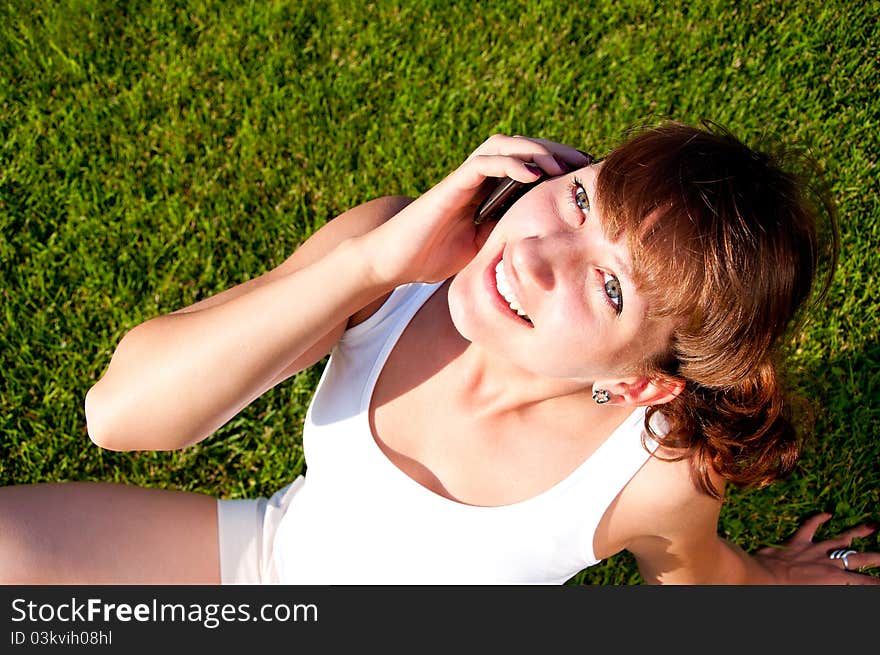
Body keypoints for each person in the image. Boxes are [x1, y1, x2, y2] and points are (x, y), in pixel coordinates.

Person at [1, 121, 877, 584]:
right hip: (265, 560)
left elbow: (701, 580)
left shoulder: (649, 474)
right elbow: (118, 414)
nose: (534, 256)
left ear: (640, 380)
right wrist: (369, 264)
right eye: (579, 203)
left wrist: (780, 583)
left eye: (610, 286)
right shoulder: (391, 262)